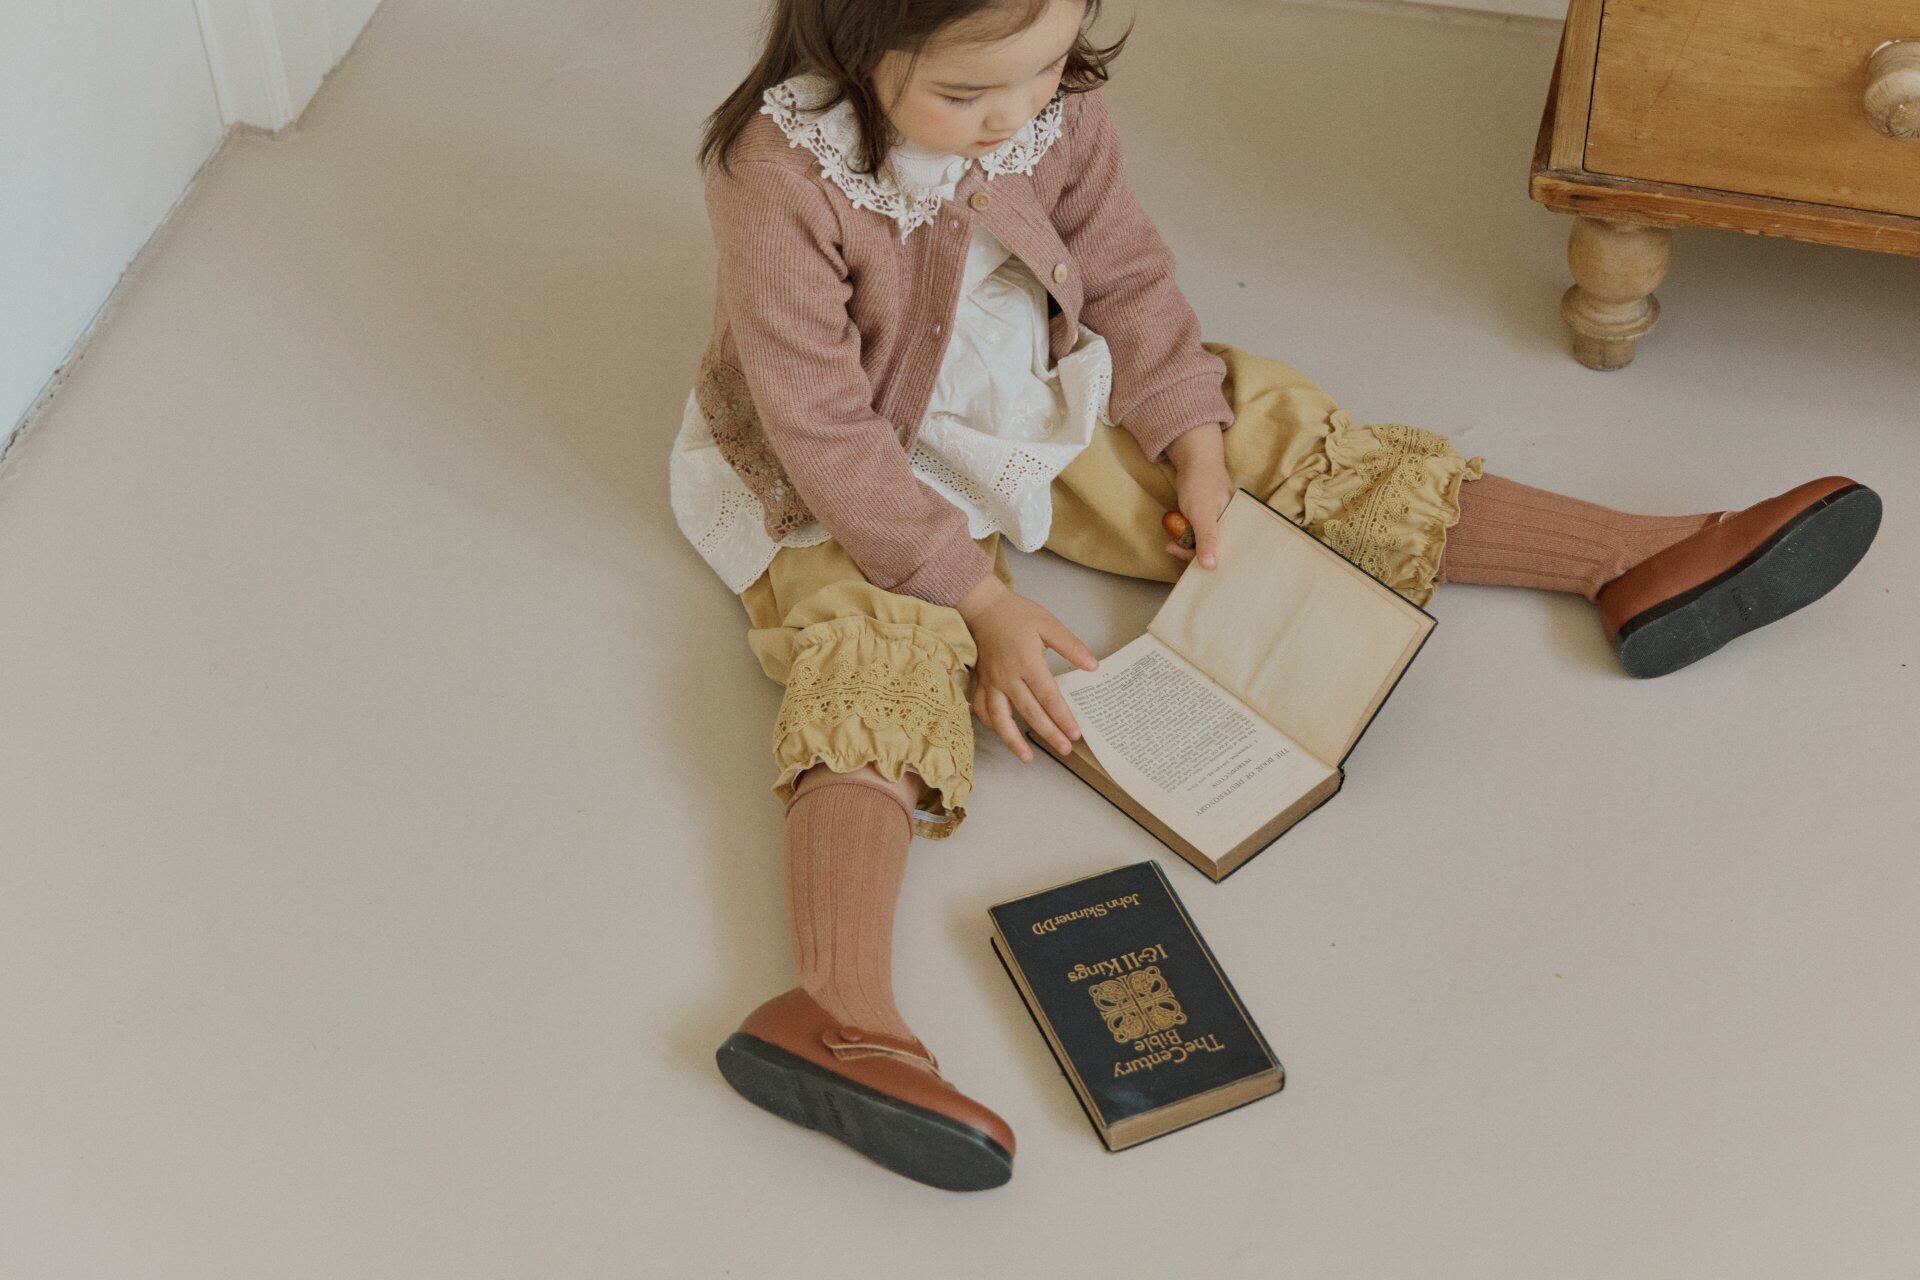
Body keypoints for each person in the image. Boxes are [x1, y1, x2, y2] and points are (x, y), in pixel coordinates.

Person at [670, 0, 1882, 1190]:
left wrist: (1194, 439)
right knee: (873, 649)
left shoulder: (1052, 104)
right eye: (964, 94)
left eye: (1043, 70)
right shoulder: (775, 171)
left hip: (1026, 389)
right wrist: (976, 599)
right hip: (852, 465)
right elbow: (824, 433)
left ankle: (1627, 554)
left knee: (1262, 431)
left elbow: (1126, 274)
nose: (1013, 115)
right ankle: (838, 1006)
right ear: (849, 36)